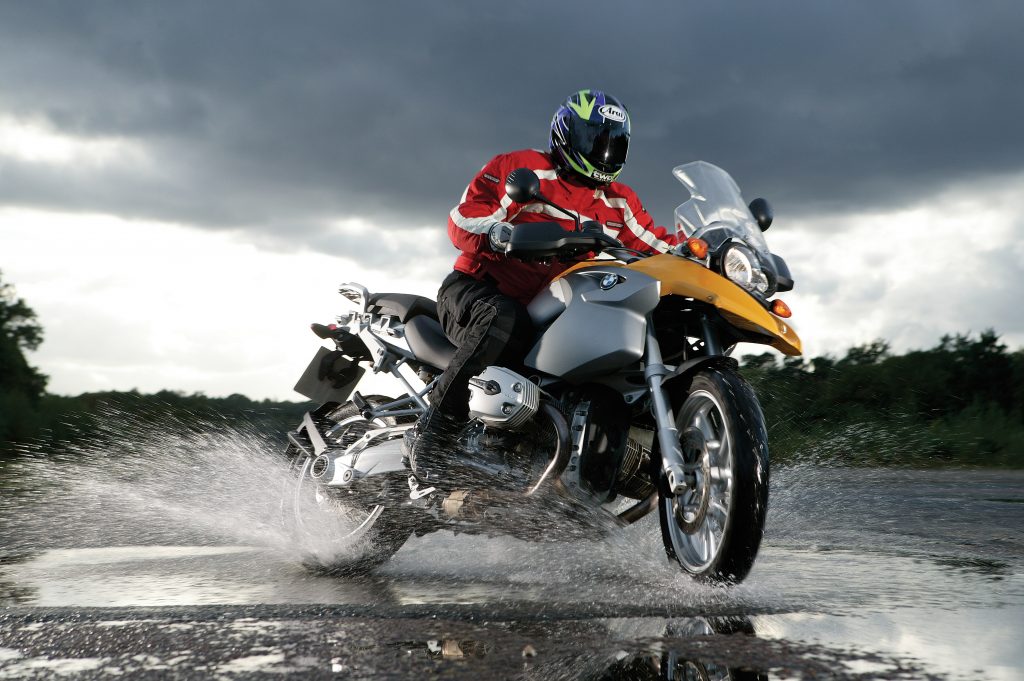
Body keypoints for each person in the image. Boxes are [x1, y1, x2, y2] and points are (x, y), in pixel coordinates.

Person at [405, 89, 679, 479]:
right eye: (596, 140)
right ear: (567, 134)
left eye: (614, 144)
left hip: (551, 309)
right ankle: (433, 434)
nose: (605, 152)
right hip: (479, 288)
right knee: (504, 319)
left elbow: (657, 245)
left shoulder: (619, 200)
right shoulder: (523, 169)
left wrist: (708, 253)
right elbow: (464, 218)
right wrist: (499, 234)